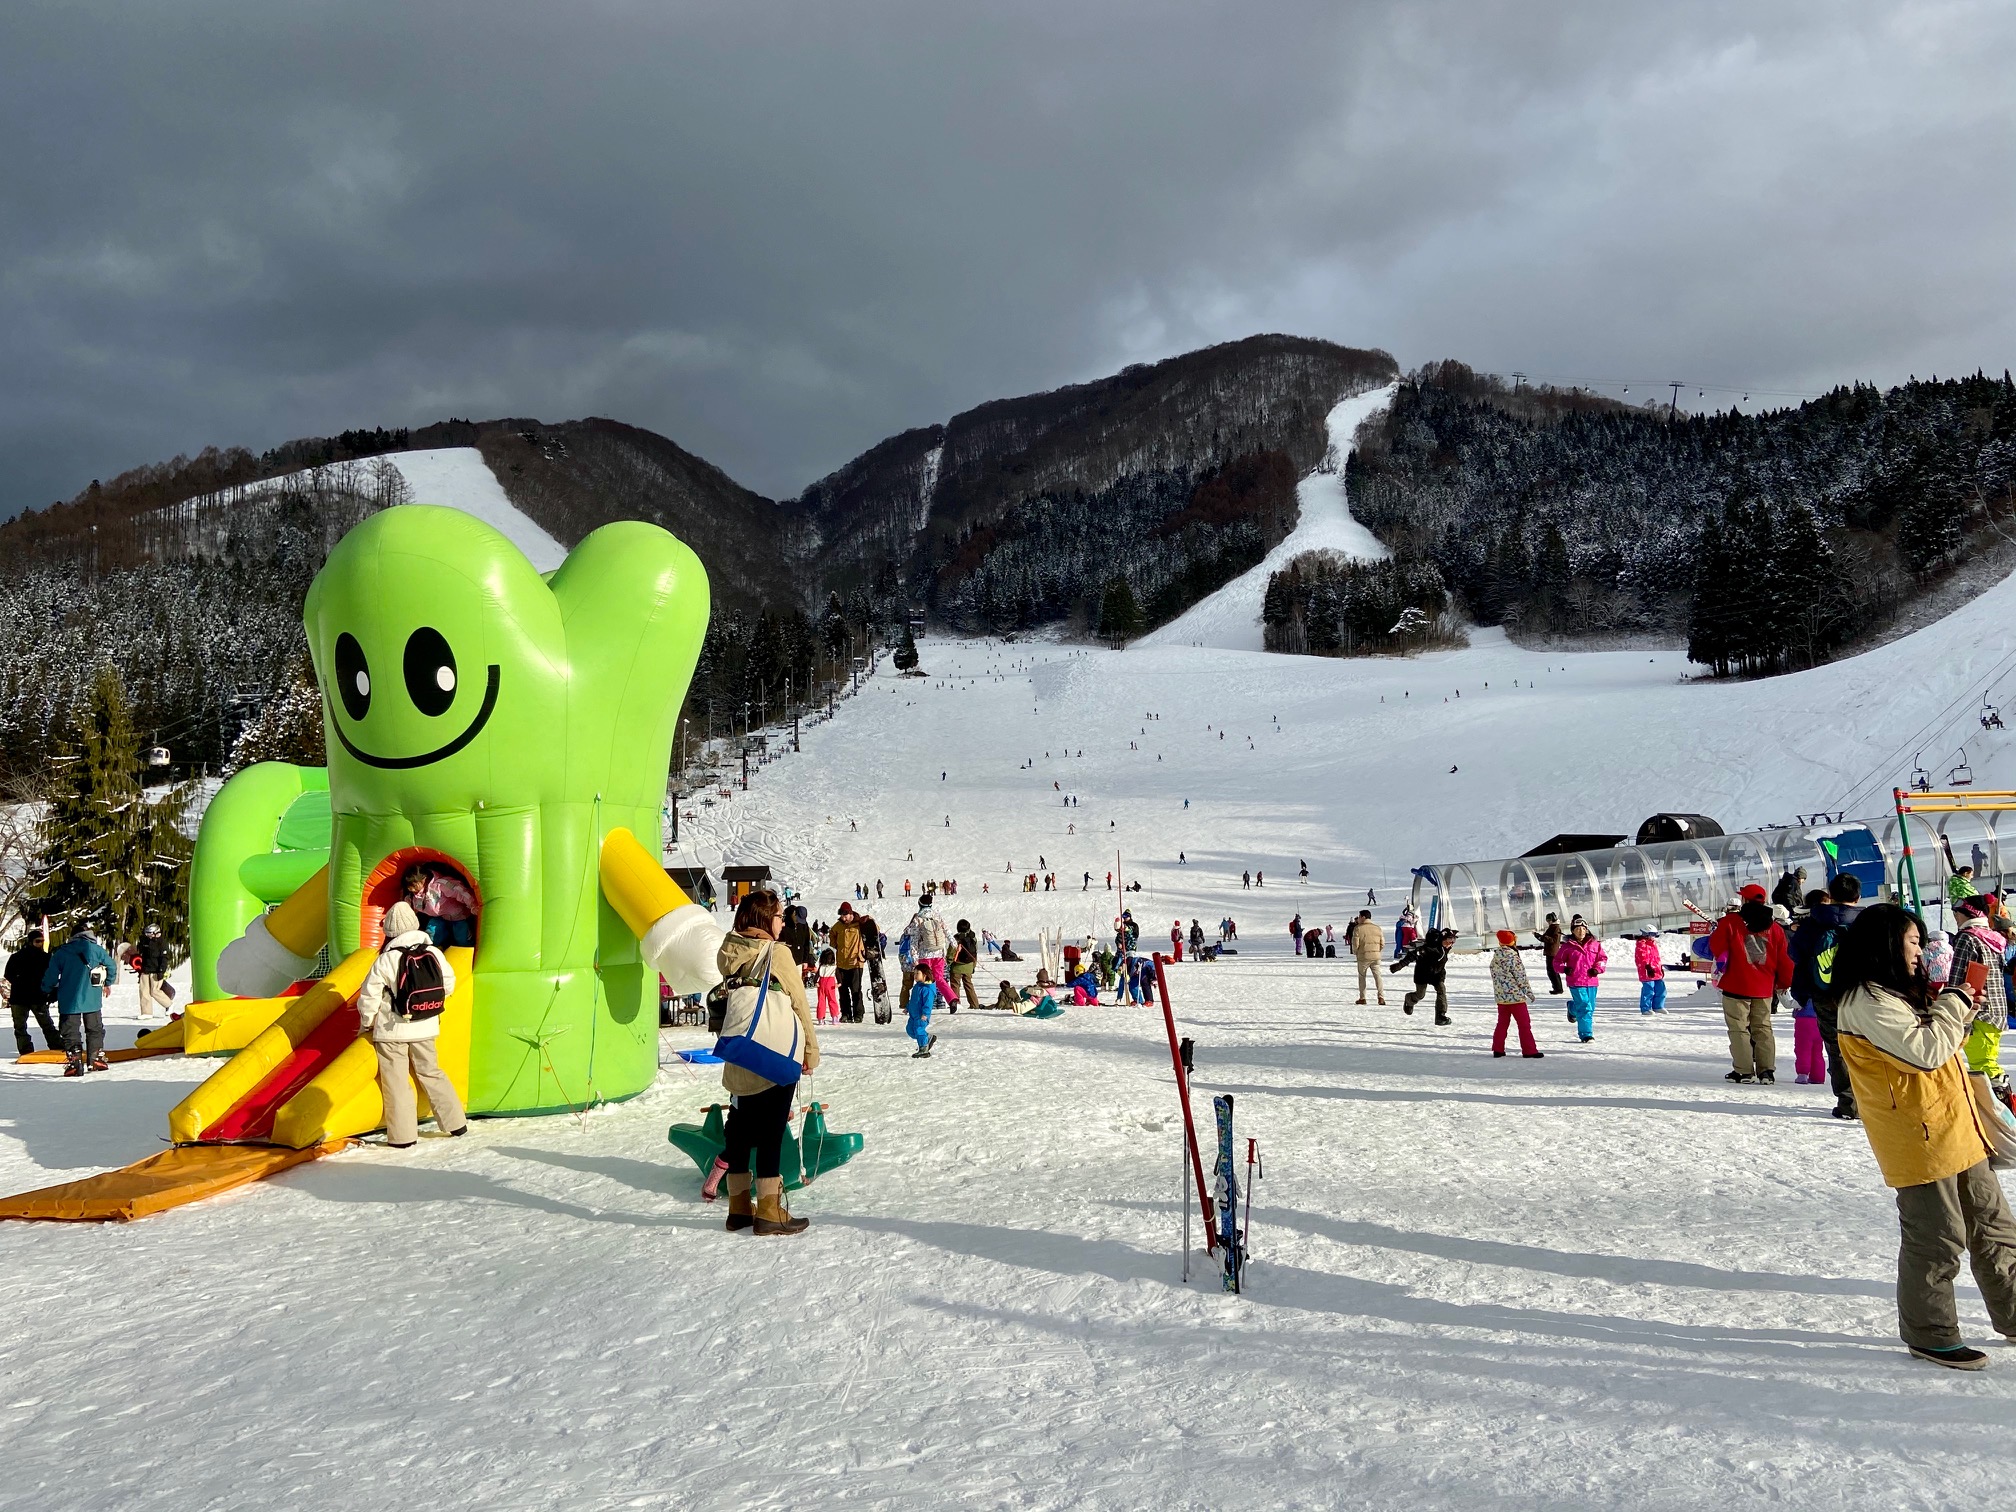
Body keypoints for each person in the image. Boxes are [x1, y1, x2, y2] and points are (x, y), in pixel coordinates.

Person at [1833, 902, 2016, 1369]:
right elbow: (1924, 1053)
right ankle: (1930, 1333)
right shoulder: (1867, 1001)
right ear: (1886, 944)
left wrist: (1960, 1011)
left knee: (1995, 1229)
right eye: (1912, 941)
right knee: (1936, 1237)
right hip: (1919, 1138)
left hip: (1955, 1126)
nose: (1920, 951)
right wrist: (1954, 1002)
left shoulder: (1894, 993)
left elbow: (1940, 1041)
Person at [715, 889, 819, 1235]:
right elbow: (800, 1004)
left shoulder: (730, 952)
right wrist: (810, 1051)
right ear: (764, 919)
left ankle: (739, 1207)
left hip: (740, 1052)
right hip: (773, 1051)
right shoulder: (777, 953)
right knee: (772, 1132)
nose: (781, 923)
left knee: (741, 1129)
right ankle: (770, 1212)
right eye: (778, 917)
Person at [353, 901, 469, 1146]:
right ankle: (456, 1123)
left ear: (391, 931)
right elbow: (448, 984)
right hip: (426, 1025)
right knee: (432, 1072)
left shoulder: (387, 959)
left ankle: (403, 1137)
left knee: (396, 1082)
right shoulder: (434, 952)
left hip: (391, 1030)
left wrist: (367, 1023)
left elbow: (369, 997)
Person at [1708, 883, 1793, 1083]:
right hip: (1764, 987)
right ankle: (1766, 1071)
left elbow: (1716, 947)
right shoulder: (1775, 928)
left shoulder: (1730, 922)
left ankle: (1744, 1070)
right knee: (1763, 1028)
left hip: (1735, 984)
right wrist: (1783, 982)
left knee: (1739, 1028)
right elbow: (1785, 959)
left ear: (1744, 900)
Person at [1951, 896, 2010, 1106]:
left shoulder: (1967, 938)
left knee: (1983, 1064)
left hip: (1977, 1009)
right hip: (1996, 1009)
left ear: (1968, 914)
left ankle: (2001, 1108)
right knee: (1987, 1059)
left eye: (1956, 912)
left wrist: (1950, 1002)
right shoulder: (1992, 937)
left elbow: (1957, 976)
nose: (1955, 917)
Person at [42, 921, 118, 1076]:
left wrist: (46, 989)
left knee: (70, 1031)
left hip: (69, 999)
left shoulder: (62, 952)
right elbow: (111, 966)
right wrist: (107, 982)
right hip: (92, 997)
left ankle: (75, 1062)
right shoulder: (97, 950)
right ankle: (95, 1059)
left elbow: (51, 975)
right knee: (95, 1029)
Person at [4, 925, 59, 1056]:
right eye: (37, 941)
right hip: (21, 997)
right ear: (30, 941)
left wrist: (51, 991)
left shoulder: (46, 957)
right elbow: (8, 974)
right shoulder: (17, 957)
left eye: (42, 941)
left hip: (36, 996)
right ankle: (25, 1050)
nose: (40, 944)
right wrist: (20, 982)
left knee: (46, 1025)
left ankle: (56, 1046)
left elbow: (52, 976)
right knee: (20, 1026)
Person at [1489, 929, 1543, 1058]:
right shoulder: (1513, 957)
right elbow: (1521, 978)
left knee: (1502, 1023)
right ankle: (1529, 1050)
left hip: (1502, 998)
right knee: (1524, 1024)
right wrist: (1529, 993)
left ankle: (1498, 1049)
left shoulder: (1496, 957)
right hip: (1516, 998)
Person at [1553, 916, 1607, 1043]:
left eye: (1583, 929)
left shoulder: (1595, 945)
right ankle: (1586, 1035)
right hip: (1576, 981)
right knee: (1585, 1007)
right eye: (1577, 929)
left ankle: (1572, 1008)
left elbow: (1602, 959)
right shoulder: (1567, 947)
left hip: (1591, 981)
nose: (1581, 931)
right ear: (1572, 930)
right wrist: (1564, 969)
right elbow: (1557, 962)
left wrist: (1597, 969)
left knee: (1590, 1007)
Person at [1394, 928, 1454, 1024]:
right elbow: (1412, 955)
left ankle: (1440, 1015)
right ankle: (1409, 999)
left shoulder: (1444, 948)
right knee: (1420, 995)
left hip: (1436, 975)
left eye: (1452, 941)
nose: (1450, 943)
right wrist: (1399, 965)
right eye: (1448, 941)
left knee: (1441, 990)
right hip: (1422, 974)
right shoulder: (1427, 949)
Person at [831, 903, 866, 1024]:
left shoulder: (859, 924)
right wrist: (836, 946)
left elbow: (874, 929)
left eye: (845, 915)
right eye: (842, 916)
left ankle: (858, 1013)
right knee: (843, 990)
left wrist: (870, 920)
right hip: (841, 963)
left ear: (851, 914)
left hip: (856, 962)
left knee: (856, 989)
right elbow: (832, 935)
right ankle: (845, 1013)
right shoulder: (838, 926)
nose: (843, 918)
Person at [133, 921, 174, 1020]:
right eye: (147, 934)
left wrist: (161, 971)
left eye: (149, 933)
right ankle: (146, 1012)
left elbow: (164, 958)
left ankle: (169, 1004)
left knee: (154, 991)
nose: (148, 935)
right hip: (145, 970)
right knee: (144, 991)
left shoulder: (162, 943)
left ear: (156, 933)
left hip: (156, 971)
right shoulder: (145, 942)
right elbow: (143, 956)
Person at [1350, 909, 1386, 1005]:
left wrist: (1356, 952)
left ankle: (1362, 998)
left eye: (1359, 916)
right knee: (1378, 976)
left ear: (1363, 917)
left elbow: (1355, 944)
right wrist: (1377, 951)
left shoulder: (1358, 929)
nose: (1358, 919)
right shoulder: (1377, 928)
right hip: (1376, 957)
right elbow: (1382, 943)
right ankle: (1381, 997)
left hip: (1363, 957)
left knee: (1362, 977)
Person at [903, 963, 938, 1058]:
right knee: (910, 1030)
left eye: (917, 973)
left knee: (919, 1030)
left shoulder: (927, 990)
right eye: (914, 974)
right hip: (913, 1014)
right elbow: (913, 1000)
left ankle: (923, 1049)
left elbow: (928, 1003)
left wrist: (925, 1014)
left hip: (921, 1016)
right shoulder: (917, 986)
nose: (915, 976)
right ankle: (928, 1038)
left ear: (925, 975)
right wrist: (908, 1007)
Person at [950, 919, 982, 1011]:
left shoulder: (956, 938)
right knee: (969, 985)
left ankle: (956, 1004)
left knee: (955, 985)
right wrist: (973, 965)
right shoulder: (973, 937)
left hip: (957, 966)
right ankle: (974, 1004)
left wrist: (948, 964)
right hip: (969, 965)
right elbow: (975, 951)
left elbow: (951, 953)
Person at [1634, 928, 1667, 1014]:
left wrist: (1660, 968)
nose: (1653, 937)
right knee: (1649, 989)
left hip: (1656, 969)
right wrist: (1647, 967)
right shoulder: (1641, 944)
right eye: (1652, 935)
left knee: (1661, 988)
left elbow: (1656, 957)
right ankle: (1646, 1008)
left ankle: (1658, 1006)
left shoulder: (1653, 944)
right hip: (1647, 970)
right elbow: (1642, 957)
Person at [1536, 913, 1565, 995]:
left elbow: (1553, 940)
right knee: (1551, 971)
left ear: (1552, 920)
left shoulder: (1555, 928)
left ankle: (1558, 988)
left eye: (1548, 920)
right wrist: (1538, 936)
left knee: (1552, 971)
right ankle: (1557, 988)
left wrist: (1543, 937)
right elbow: (1545, 938)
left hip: (1553, 952)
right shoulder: (1552, 927)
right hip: (1550, 952)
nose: (1548, 922)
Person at [814, 945, 840, 1023]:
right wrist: (839, 982)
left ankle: (820, 1018)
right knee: (832, 1000)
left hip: (821, 983)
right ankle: (834, 1017)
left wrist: (815, 982)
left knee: (821, 1001)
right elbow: (838, 975)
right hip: (830, 984)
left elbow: (817, 976)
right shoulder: (834, 967)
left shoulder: (821, 967)